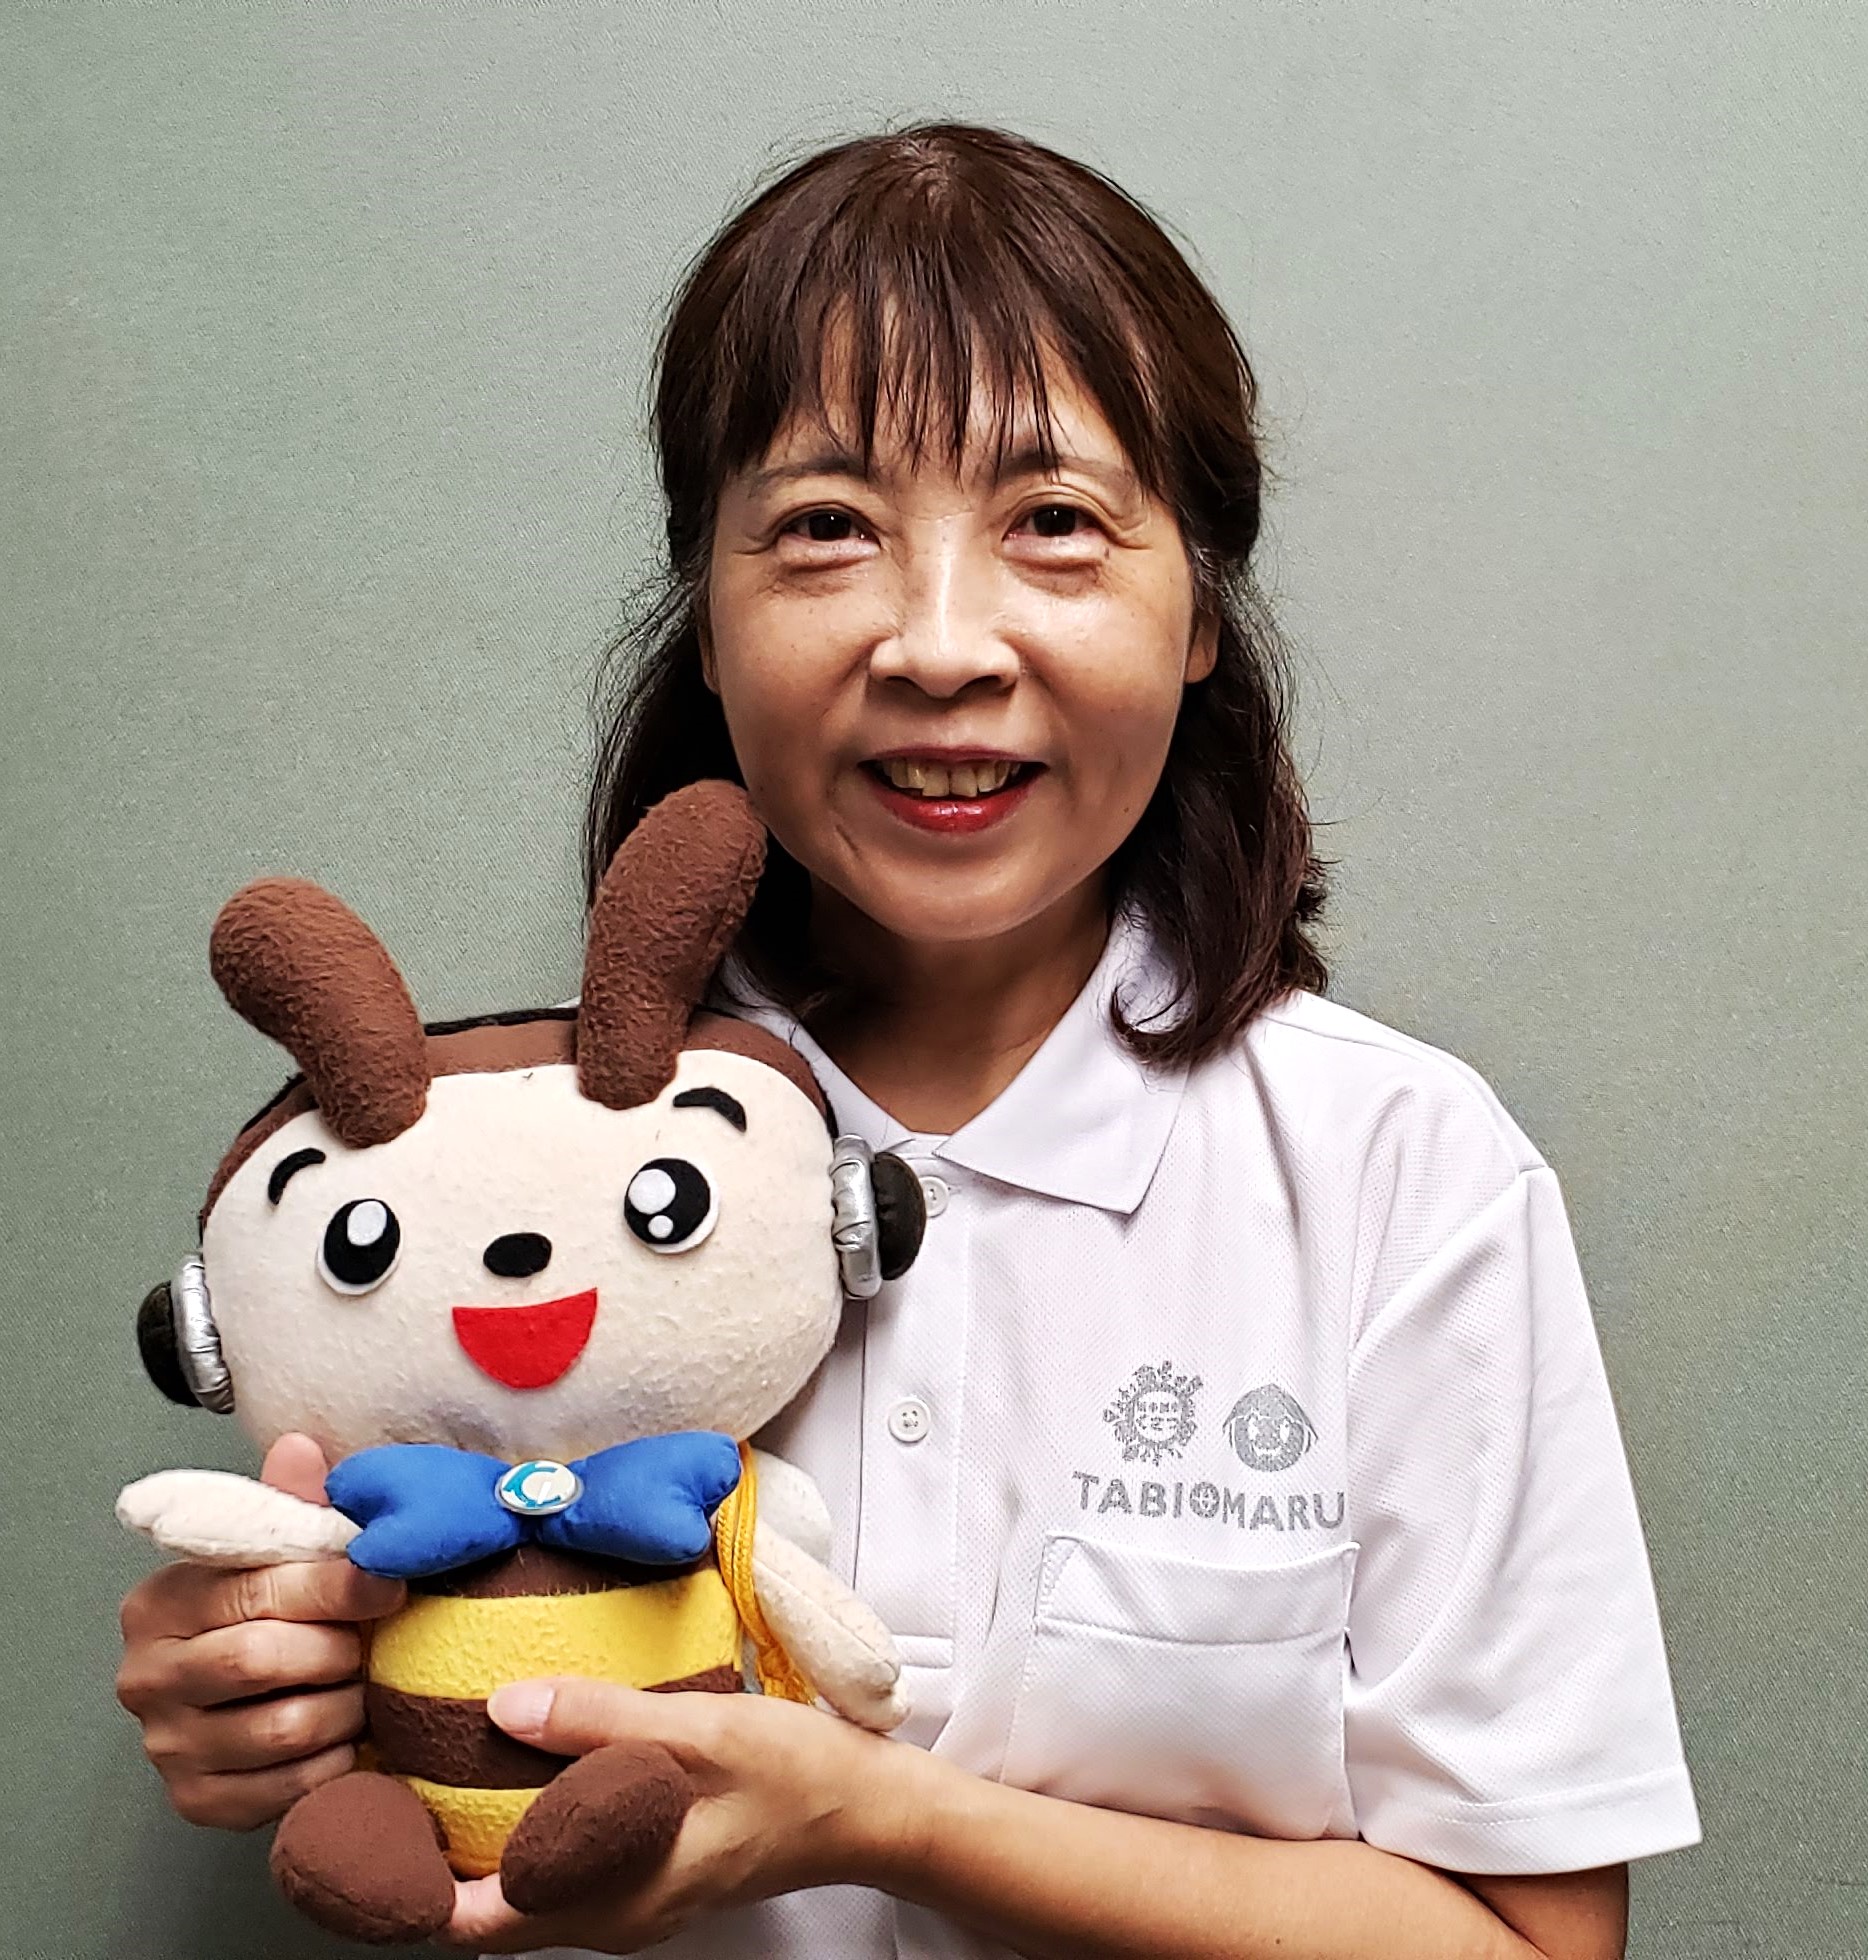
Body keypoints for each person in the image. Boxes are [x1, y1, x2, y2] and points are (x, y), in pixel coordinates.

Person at [113, 123, 1701, 1959]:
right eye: (826, 529)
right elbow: (374, 1643)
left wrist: (894, 1825)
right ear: (707, 617)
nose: (942, 646)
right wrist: (263, 1688)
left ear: (1201, 605)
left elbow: (1536, 1942)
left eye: (1055, 523)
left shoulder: (1400, 1173)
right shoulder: (482, 1178)